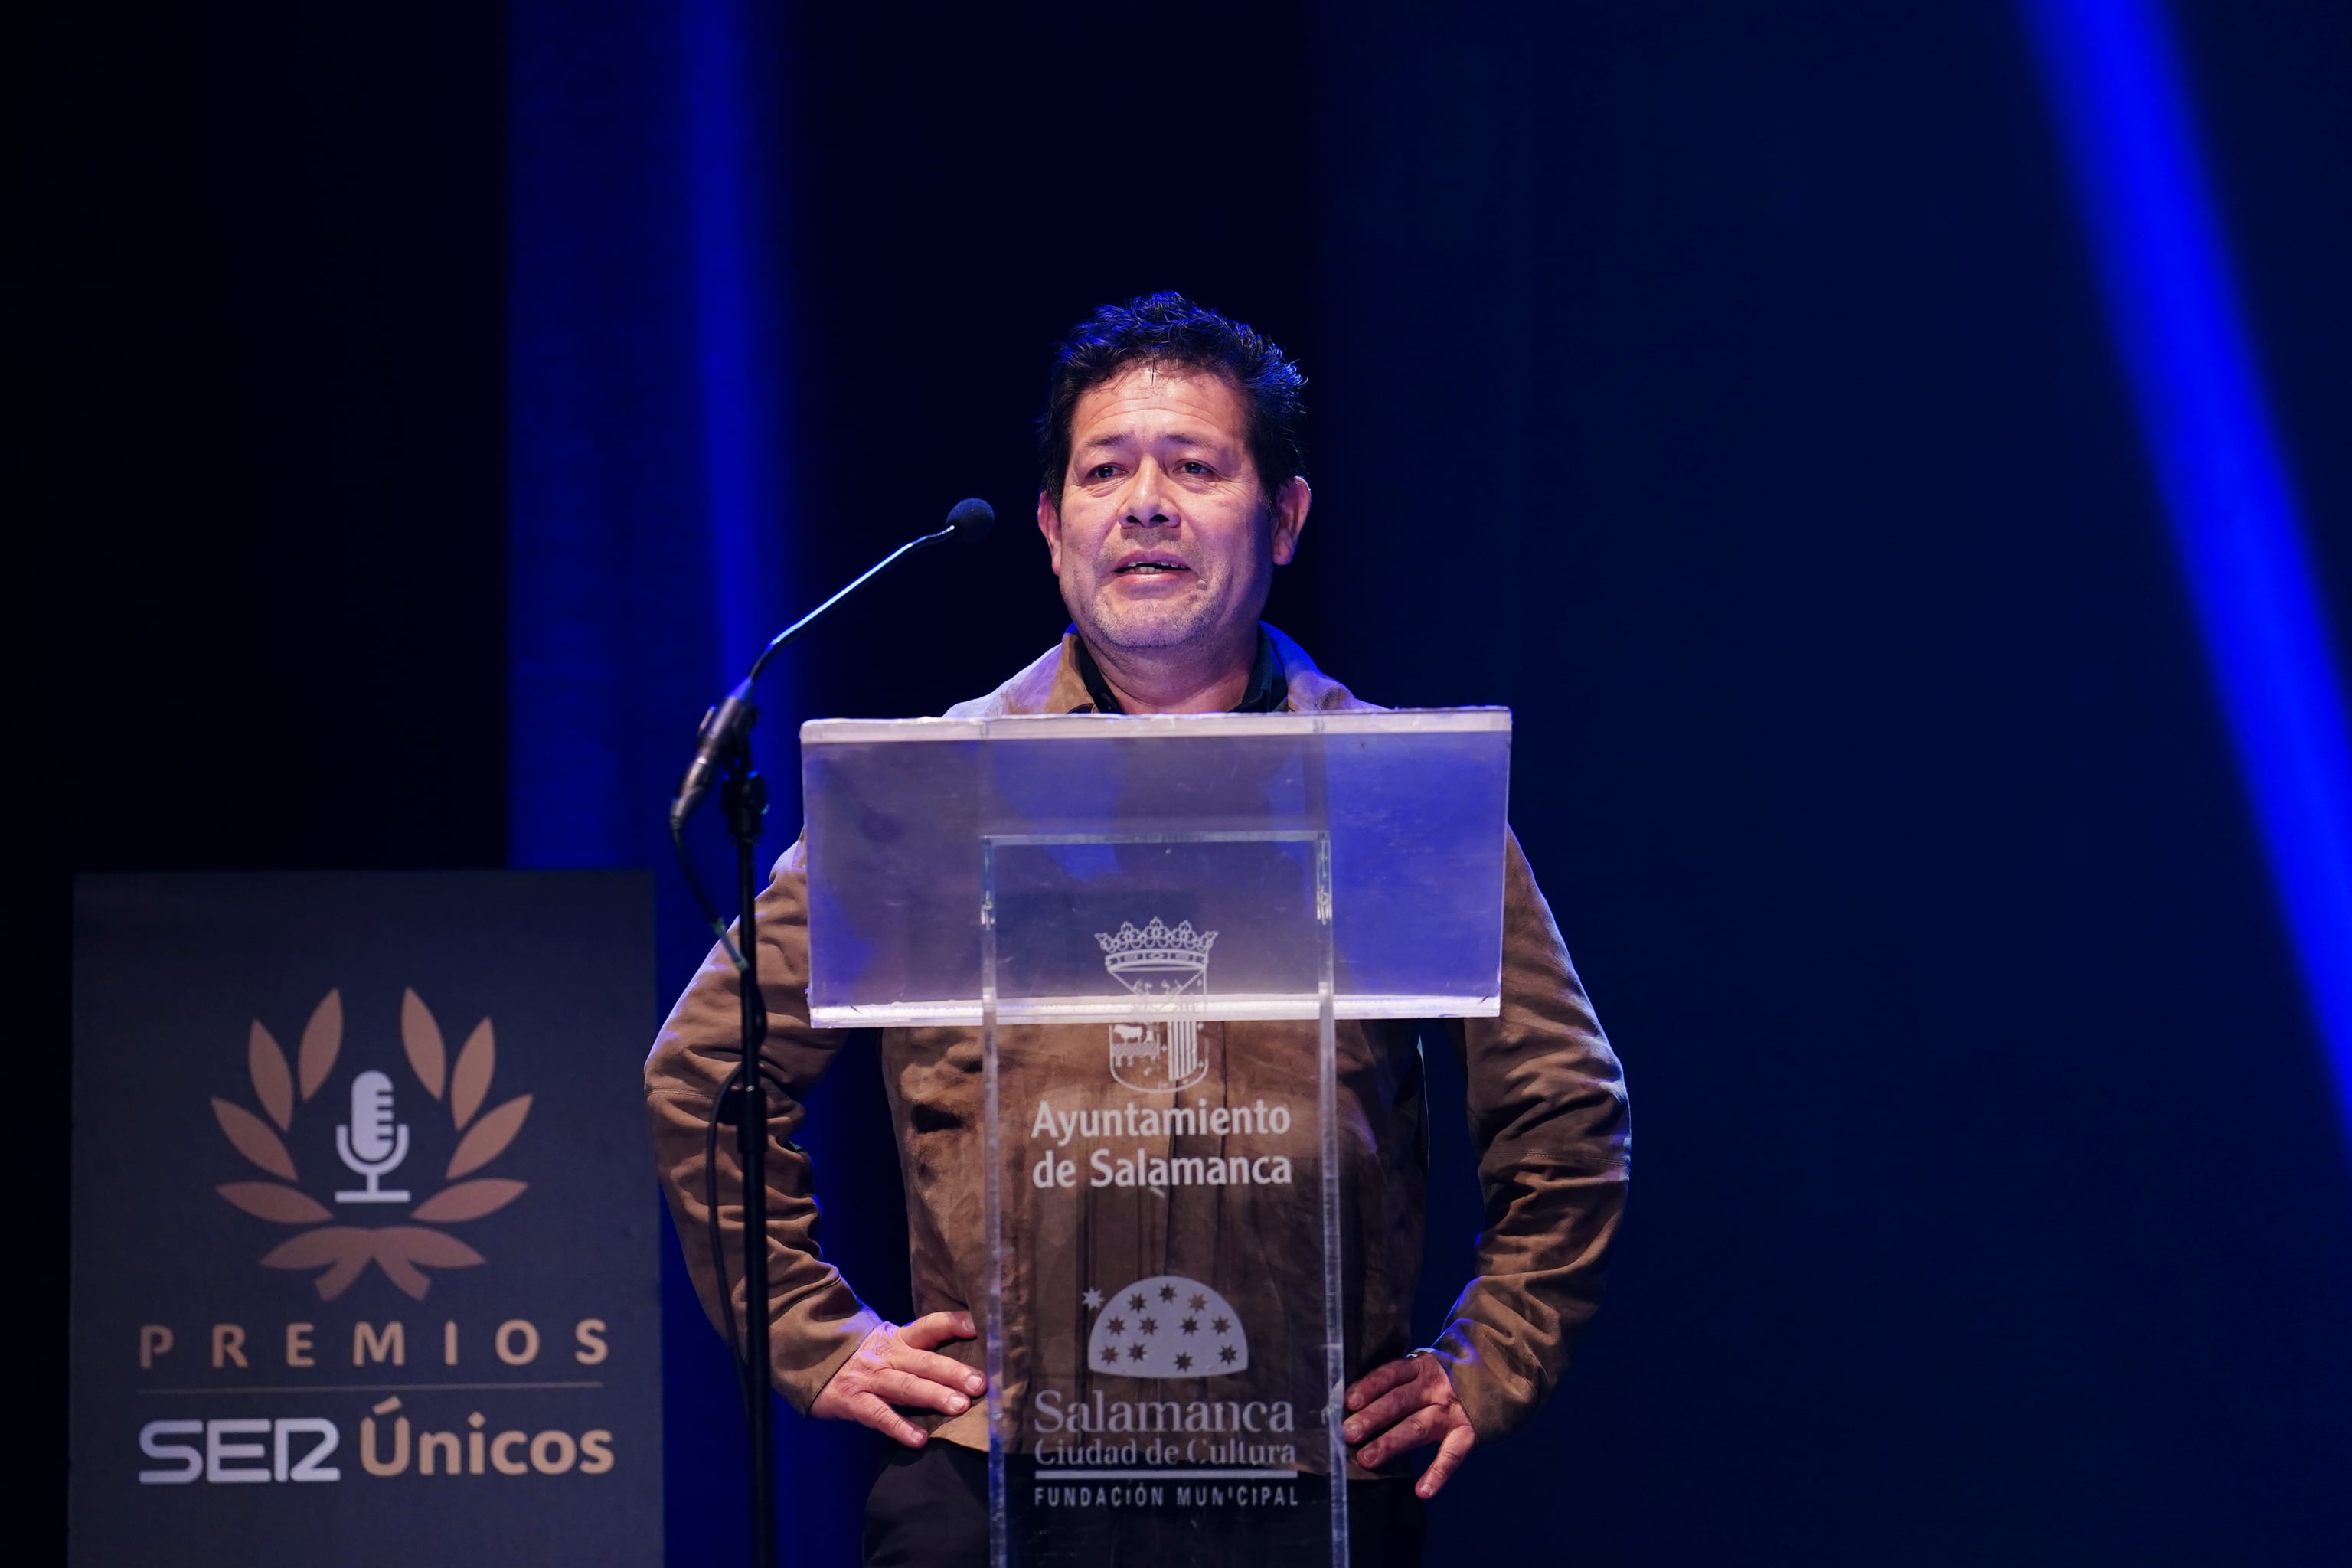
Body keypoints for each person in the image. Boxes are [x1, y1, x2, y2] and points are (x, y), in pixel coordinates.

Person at [645, 292, 1630, 1566]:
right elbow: (707, 1073)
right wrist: (810, 1336)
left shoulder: (1391, 791)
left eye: (1196, 467)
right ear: (1054, 531)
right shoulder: (935, 792)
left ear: (1283, 518)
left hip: (1305, 1479)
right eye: (1104, 471)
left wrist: (1488, 1359)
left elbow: (1565, 1111)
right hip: (997, 1480)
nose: (1145, 502)